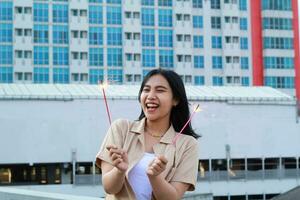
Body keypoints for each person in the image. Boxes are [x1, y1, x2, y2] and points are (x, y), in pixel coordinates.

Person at [96, 69, 200, 200]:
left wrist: (155, 177)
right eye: (146, 90)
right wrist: (119, 170)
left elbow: (172, 198)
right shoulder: (121, 128)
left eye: (160, 90)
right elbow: (110, 188)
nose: (150, 96)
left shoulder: (187, 144)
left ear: (175, 100)